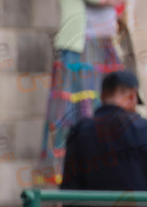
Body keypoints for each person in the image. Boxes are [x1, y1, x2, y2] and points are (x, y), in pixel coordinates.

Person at [35, 0, 125, 186]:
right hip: (80, 44)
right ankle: (65, 185)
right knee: (69, 118)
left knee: (111, 116)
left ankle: (102, 178)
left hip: (107, 43)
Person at [61, 70, 147, 192]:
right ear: (132, 96)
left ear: (102, 97)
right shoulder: (143, 128)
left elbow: (69, 187)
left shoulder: (79, 131)